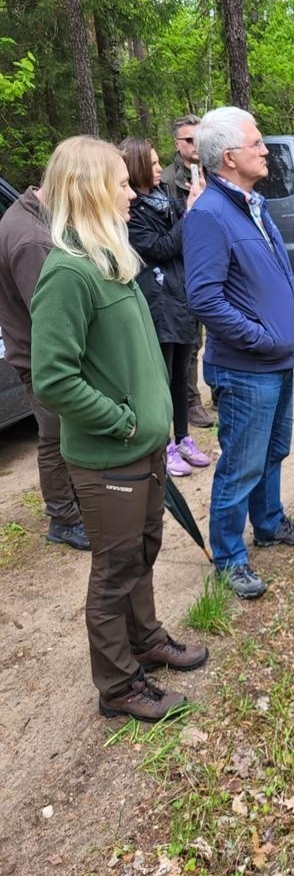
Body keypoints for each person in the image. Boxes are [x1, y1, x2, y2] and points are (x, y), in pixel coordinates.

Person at [30, 136, 207, 721]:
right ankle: (118, 686)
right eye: (122, 184)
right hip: (110, 456)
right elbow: (52, 380)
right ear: (90, 190)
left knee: (143, 550)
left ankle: (146, 639)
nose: (133, 193)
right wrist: (123, 422)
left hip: (144, 448)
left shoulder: (111, 257)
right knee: (113, 572)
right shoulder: (67, 272)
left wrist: (150, 424)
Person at [183, 107, 294, 601]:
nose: (266, 150)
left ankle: (268, 523)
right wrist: (261, 338)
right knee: (240, 463)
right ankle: (229, 557)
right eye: (257, 143)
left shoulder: (251, 203)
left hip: (276, 360)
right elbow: (204, 298)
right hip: (245, 367)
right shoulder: (208, 215)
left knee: (273, 451)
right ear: (228, 156)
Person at [0, 186, 90, 550]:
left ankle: (72, 504)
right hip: (41, 360)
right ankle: (64, 519)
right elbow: (51, 313)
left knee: (59, 434)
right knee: (54, 437)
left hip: (37, 354)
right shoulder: (30, 239)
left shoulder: (31, 218)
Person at [120, 137, 211, 478]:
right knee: (161, 376)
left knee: (180, 375)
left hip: (180, 295)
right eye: (154, 163)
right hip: (158, 302)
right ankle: (165, 445)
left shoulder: (163, 199)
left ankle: (184, 436)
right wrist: (188, 213)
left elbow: (184, 231)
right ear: (138, 168)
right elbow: (159, 248)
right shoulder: (132, 212)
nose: (160, 168)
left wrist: (190, 204)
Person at [161, 114, 215, 430]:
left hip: (212, 259)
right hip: (183, 264)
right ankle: (191, 401)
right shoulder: (167, 179)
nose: (195, 146)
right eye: (189, 140)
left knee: (220, 330)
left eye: (199, 139)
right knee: (191, 339)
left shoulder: (214, 171)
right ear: (177, 144)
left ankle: (221, 391)